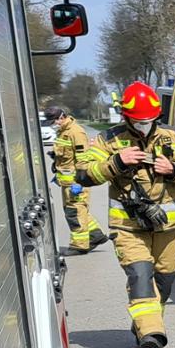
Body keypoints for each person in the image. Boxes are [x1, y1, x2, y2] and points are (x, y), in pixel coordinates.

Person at [75, 83, 175, 348]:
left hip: (167, 228)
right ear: (126, 117)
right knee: (140, 275)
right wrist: (116, 163)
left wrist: (174, 170)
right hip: (128, 227)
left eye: (148, 121)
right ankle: (152, 336)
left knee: (165, 278)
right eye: (138, 121)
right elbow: (85, 174)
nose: (144, 126)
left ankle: (144, 325)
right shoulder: (109, 140)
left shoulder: (173, 137)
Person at [46, 106, 105, 255]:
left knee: (74, 212)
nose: (54, 124)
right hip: (66, 182)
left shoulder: (76, 132)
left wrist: (80, 181)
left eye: (54, 121)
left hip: (75, 182)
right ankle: (95, 235)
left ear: (62, 117)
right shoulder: (63, 132)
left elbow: (83, 158)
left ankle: (79, 245)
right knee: (77, 210)